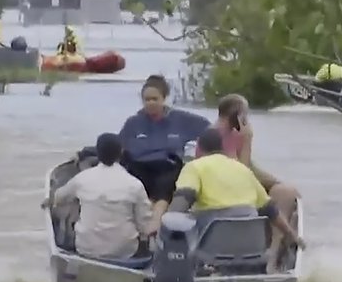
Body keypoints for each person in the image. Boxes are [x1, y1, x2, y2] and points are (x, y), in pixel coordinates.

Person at [171, 128, 304, 268]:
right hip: (252, 247)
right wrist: (291, 234)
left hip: (213, 246)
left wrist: (165, 225)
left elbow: (183, 199)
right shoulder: (243, 169)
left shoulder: (194, 167)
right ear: (222, 148)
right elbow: (271, 210)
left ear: (198, 149)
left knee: (182, 225)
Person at [118, 75, 210, 235]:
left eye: (155, 99)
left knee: (167, 181)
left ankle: (155, 222)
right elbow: (117, 145)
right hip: (140, 168)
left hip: (168, 167)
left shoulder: (182, 120)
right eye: (147, 99)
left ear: (164, 98)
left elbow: (211, 131)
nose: (151, 103)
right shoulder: (133, 123)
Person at [43, 133, 153, 260]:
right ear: (121, 153)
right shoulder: (135, 185)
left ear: (98, 153)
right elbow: (144, 225)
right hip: (125, 251)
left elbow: (58, 198)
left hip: (86, 249)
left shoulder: (82, 179)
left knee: (71, 201)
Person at [212, 94, 300, 224]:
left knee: (285, 191)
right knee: (283, 195)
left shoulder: (233, 134)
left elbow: (252, 169)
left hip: (239, 191)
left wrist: (275, 182)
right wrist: (247, 139)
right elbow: (240, 175)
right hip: (228, 194)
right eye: (245, 115)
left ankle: (277, 241)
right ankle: (276, 241)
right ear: (238, 116)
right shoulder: (217, 137)